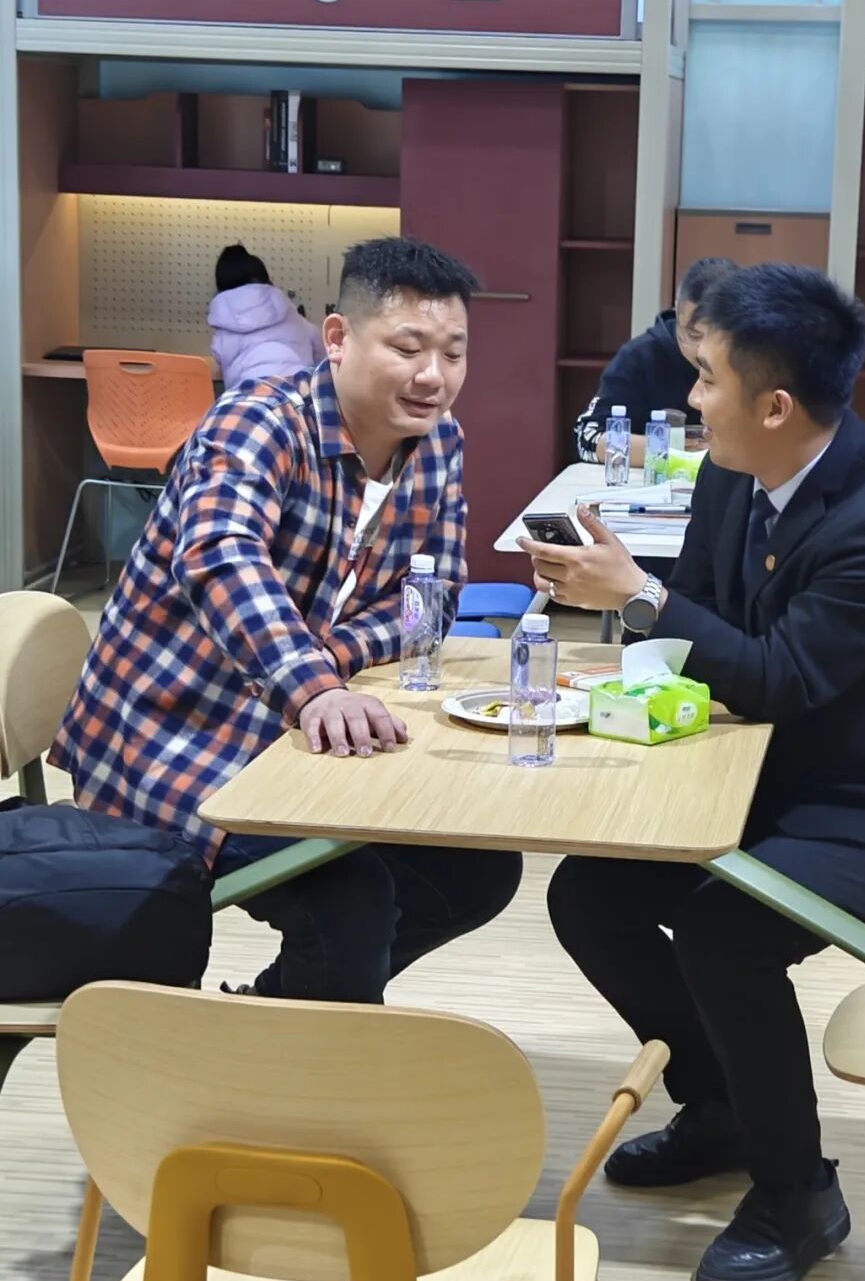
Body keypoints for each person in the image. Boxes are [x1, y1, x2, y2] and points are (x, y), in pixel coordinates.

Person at [519, 262, 865, 1281]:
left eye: (708, 379)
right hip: (777, 781)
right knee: (589, 892)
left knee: (724, 931)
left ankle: (798, 1193)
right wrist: (623, 632)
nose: (691, 399)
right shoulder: (737, 475)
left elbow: (780, 676)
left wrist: (637, 596)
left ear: (774, 405)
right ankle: (724, 1107)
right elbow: (705, 618)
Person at [52, 237, 522, 1003]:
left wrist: (326, 660)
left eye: (453, 353)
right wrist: (314, 687)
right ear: (336, 338)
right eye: (408, 348)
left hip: (293, 730)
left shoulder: (437, 442)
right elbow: (222, 556)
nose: (433, 376)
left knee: (477, 870)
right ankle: (299, 1049)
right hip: (176, 736)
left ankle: (276, 1019)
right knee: (350, 901)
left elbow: (431, 599)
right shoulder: (257, 421)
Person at [573, 256, 736, 468]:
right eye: (694, 336)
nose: (702, 349)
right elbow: (587, 438)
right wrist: (677, 449)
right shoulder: (640, 358)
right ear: (677, 314)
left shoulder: (752, 358)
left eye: (717, 336)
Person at [208, 242, 327, 390]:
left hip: (247, 396)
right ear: (269, 284)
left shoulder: (222, 334)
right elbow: (321, 354)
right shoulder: (293, 318)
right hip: (298, 392)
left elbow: (221, 361)